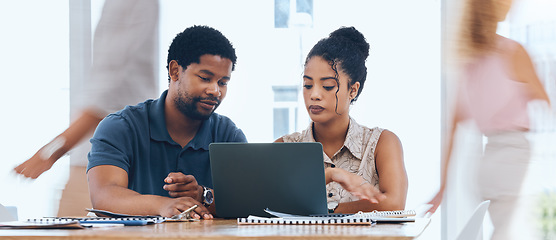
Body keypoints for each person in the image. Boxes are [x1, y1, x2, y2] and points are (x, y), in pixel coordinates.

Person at [13, 0, 160, 216]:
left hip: (107, 168)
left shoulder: (131, 4)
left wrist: (50, 152)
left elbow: (107, 96)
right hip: (104, 162)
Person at [87, 25, 246, 219]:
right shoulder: (120, 128)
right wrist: (164, 206)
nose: (215, 91)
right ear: (175, 71)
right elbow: (104, 196)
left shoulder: (228, 135)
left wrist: (201, 194)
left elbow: (245, 202)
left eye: (223, 82)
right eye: (205, 78)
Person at [426, 0, 551, 239]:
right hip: (513, 159)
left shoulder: (469, 64)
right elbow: (545, 100)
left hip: (486, 164)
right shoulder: (513, 52)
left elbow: (453, 129)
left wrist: (442, 187)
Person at [276, 26, 408, 214]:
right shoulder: (284, 147)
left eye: (328, 86)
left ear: (353, 90)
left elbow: (393, 204)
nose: (314, 94)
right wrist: (330, 175)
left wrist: (328, 210)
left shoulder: (380, 143)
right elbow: (266, 204)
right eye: (307, 85)